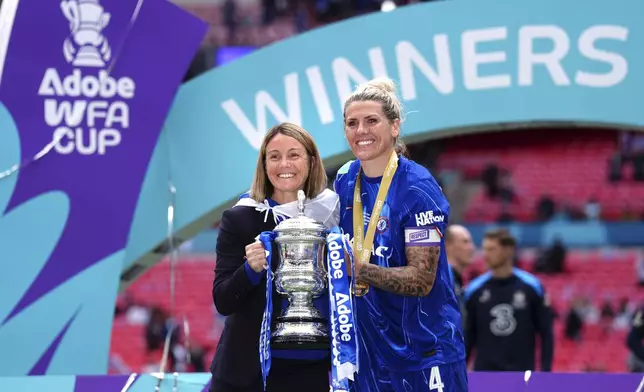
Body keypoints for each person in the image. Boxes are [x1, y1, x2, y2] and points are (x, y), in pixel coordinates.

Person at [334, 77, 467, 392]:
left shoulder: (418, 189)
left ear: (394, 126)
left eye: (371, 121)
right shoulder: (344, 179)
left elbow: (422, 280)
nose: (361, 130)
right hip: (369, 355)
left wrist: (358, 269)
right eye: (352, 123)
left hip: (425, 353)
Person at [210, 122, 339, 392]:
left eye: (294, 155)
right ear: (264, 164)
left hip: (309, 366)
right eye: (274, 156)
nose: (284, 164)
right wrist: (249, 270)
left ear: (311, 161)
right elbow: (223, 300)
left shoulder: (332, 214)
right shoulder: (240, 217)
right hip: (247, 373)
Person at [464, 229, 554, 372]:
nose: (485, 255)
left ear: (508, 250)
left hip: (521, 376)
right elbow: (468, 336)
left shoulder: (532, 287)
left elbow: (546, 333)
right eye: (484, 249)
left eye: (492, 249)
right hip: (484, 375)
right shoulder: (474, 291)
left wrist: (546, 372)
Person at [445, 224, 475, 311]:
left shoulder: (457, 278)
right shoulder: (443, 279)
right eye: (465, 242)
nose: (471, 248)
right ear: (448, 245)